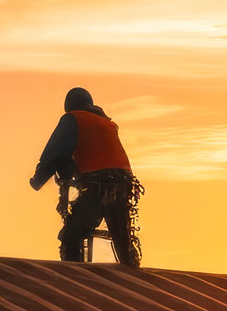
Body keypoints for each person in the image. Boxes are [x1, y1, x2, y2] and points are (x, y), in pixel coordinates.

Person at [29, 87, 142, 266]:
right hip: (123, 184)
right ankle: (135, 281)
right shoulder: (108, 123)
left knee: (71, 236)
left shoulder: (73, 119)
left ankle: (74, 276)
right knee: (123, 241)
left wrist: (37, 179)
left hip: (99, 184)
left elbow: (55, 152)